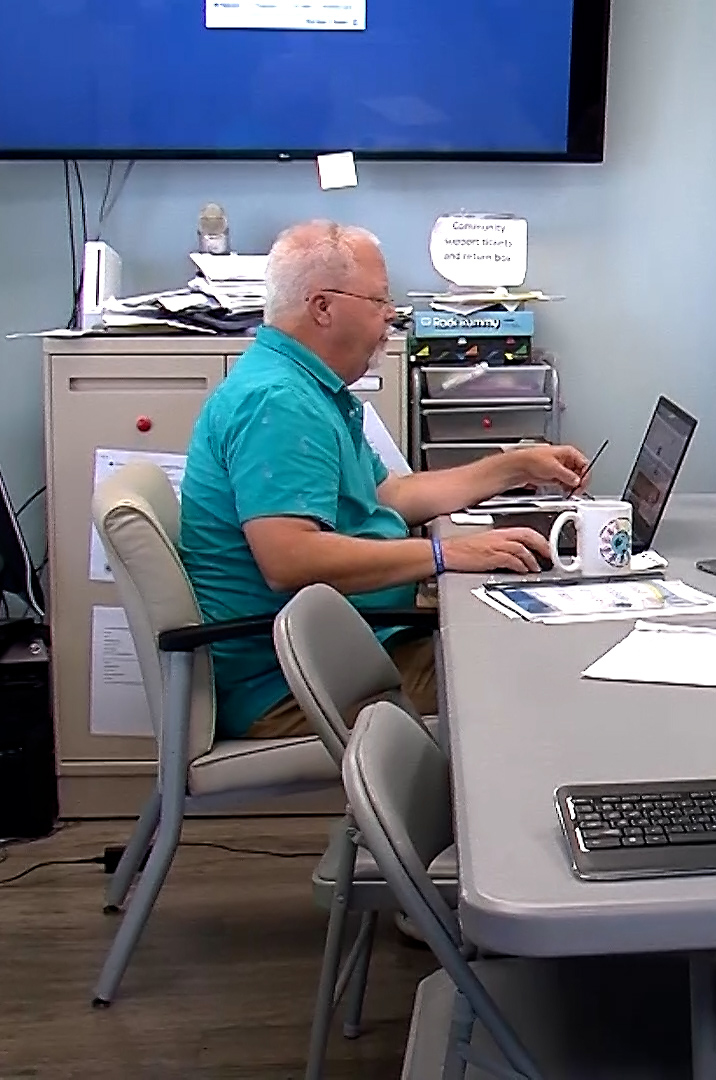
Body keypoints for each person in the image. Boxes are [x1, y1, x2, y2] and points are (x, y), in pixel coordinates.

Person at [179, 221, 588, 741]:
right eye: (379, 300)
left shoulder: (305, 387)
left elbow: (388, 496)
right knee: (532, 672)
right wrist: (446, 556)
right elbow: (289, 560)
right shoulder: (279, 403)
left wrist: (514, 465)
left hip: (345, 643)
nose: (391, 315)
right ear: (322, 307)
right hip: (296, 680)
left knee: (512, 637)